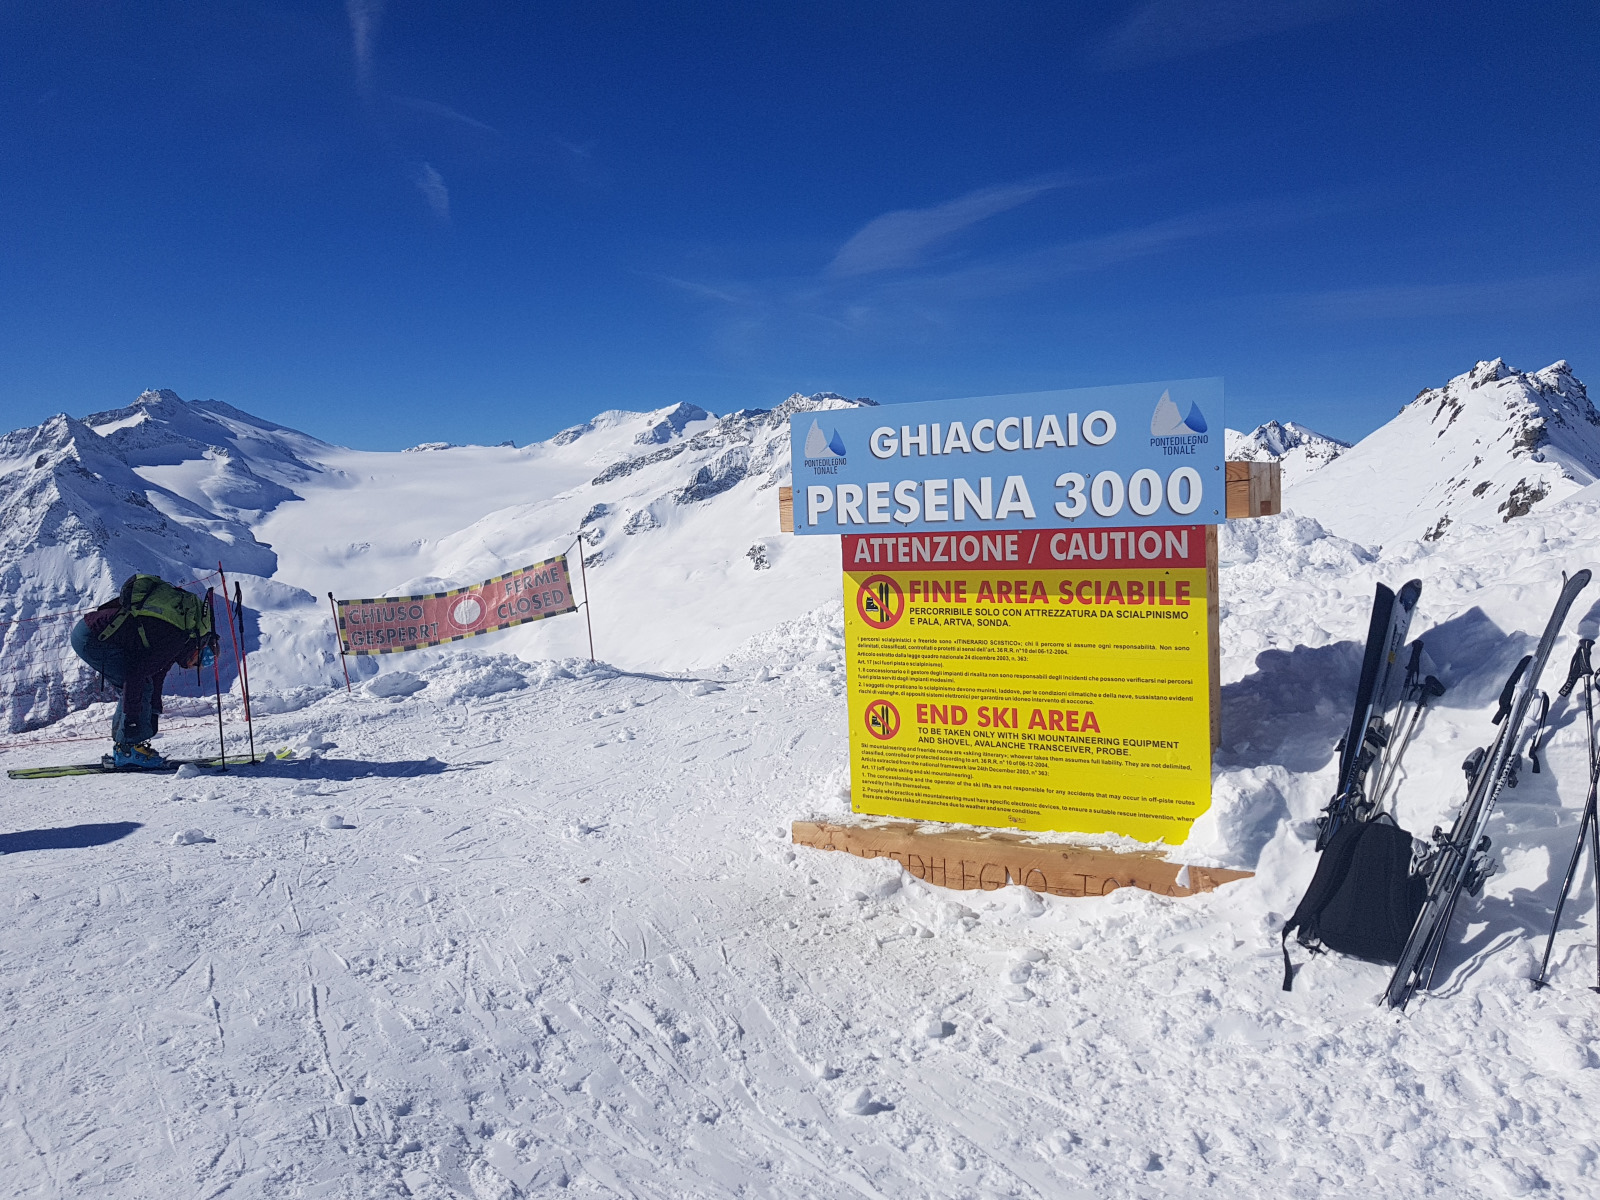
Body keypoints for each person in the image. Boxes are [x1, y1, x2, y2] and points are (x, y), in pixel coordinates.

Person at [69, 575, 219, 769]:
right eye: (196, 663)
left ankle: (125, 745)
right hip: (94, 639)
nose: (190, 667)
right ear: (197, 649)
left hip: (92, 631)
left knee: (140, 684)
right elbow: (136, 676)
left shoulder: (179, 636)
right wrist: (133, 721)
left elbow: (157, 675)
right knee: (137, 684)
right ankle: (127, 750)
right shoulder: (174, 640)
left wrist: (153, 712)